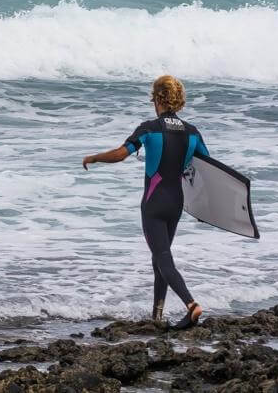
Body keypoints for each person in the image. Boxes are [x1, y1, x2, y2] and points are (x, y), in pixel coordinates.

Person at [82, 75, 208, 328]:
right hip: (176, 203)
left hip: (154, 203)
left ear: (156, 99)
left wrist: (94, 158)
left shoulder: (150, 128)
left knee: (162, 256)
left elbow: (120, 154)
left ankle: (191, 305)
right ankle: (157, 315)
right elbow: (208, 168)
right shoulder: (193, 132)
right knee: (160, 257)